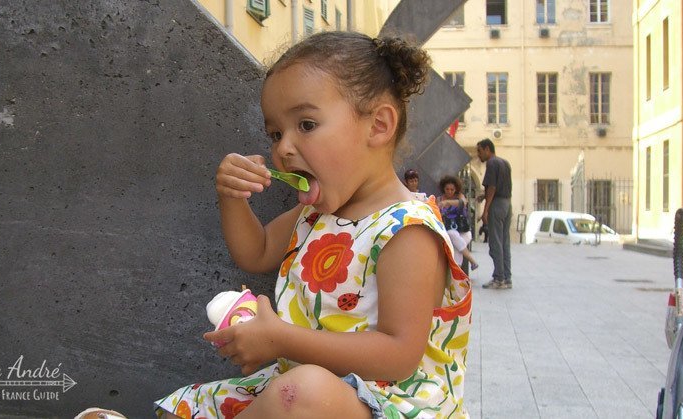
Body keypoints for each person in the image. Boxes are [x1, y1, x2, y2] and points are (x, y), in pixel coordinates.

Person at [150, 32, 472, 419]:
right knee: (193, 404)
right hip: (306, 388)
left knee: (300, 393)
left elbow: (398, 356)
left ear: (379, 125)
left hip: (387, 402)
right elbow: (256, 252)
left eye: (305, 124)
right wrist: (232, 197)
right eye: (275, 133)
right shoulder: (316, 215)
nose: (283, 148)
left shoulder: (408, 230)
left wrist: (282, 339)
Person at [476, 138, 512, 290]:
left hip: (497, 205)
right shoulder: (505, 163)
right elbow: (500, 186)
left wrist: (485, 210)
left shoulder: (491, 163)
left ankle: (498, 278)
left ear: (487, 149)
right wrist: (484, 196)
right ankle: (507, 277)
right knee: (504, 242)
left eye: (479, 151)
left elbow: (492, 187)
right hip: (507, 203)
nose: (478, 155)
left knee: (495, 242)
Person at [437, 175, 479, 271]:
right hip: (448, 232)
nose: (450, 192)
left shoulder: (460, 196)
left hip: (463, 231)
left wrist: (448, 202)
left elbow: (463, 202)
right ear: (443, 188)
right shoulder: (439, 199)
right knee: (455, 246)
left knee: (453, 239)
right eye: (447, 189)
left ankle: (470, 262)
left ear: (456, 189)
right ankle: (458, 274)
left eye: (452, 189)